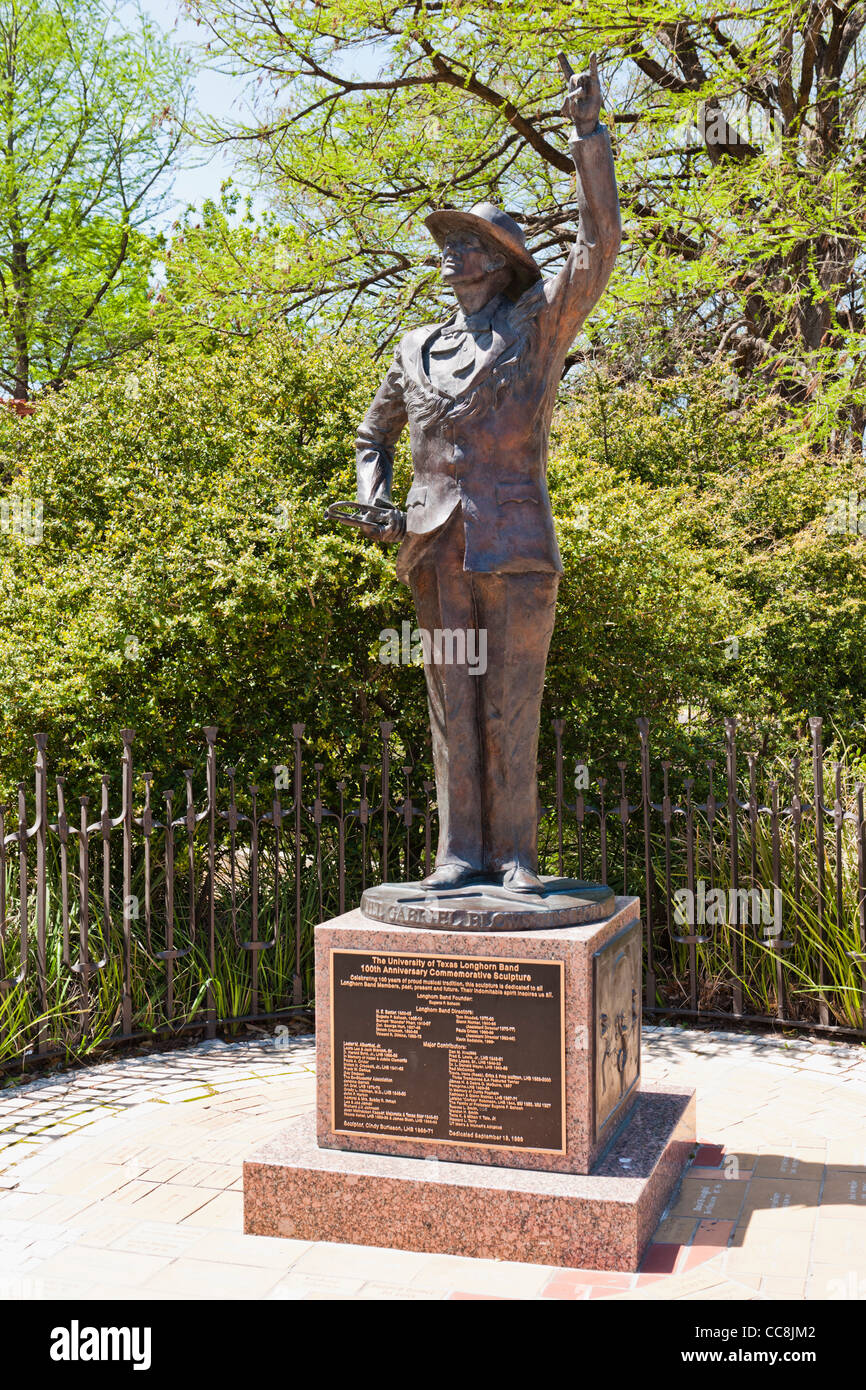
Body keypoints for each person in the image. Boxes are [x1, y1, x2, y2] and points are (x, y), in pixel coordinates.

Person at [355, 56, 620, 892]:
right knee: (449, 711)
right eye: (447, 246)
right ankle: (457, 853)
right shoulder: (412, 349)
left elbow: (598, 243)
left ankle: (513, 858)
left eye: (467, 246)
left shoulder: (538, 327)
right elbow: (373, 434)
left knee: (510, 706)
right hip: (435, 550)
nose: (451, 256)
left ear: (500, 262)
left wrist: (588, 139)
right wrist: (377, 502)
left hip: (515, 545)